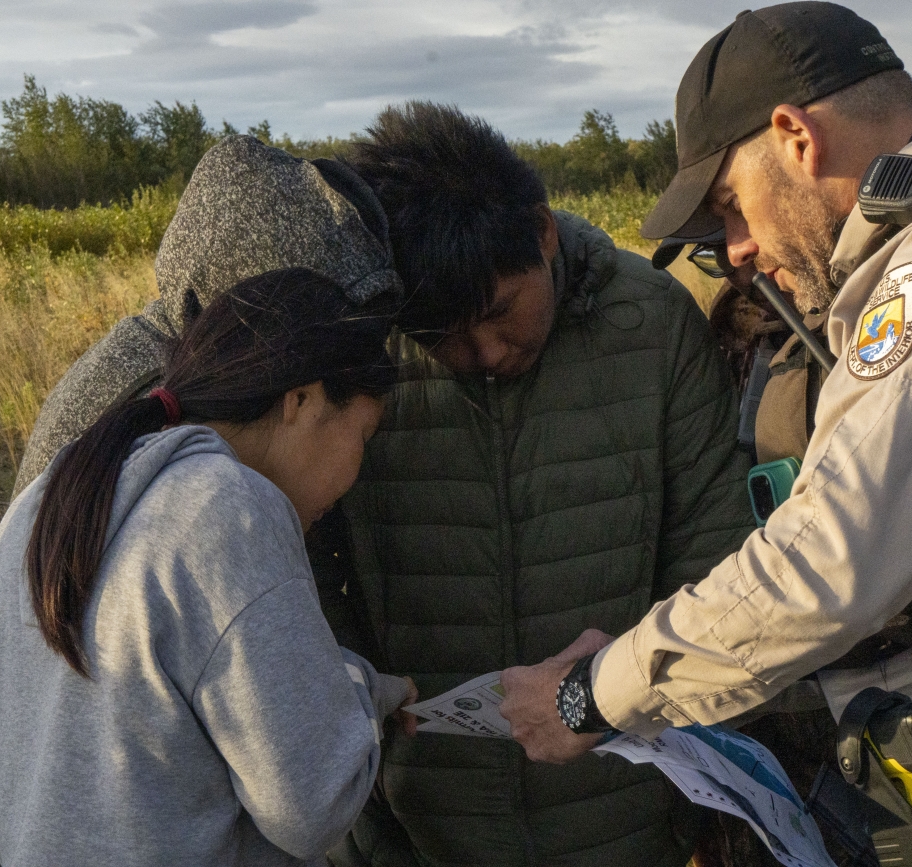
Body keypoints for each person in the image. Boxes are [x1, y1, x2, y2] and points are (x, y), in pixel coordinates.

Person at [499, 4, 912, 866]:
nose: (735, 249)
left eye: (730, 205)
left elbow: (831, 560)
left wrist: (597, 692)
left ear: (796, 138)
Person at [0, 134, 406, 867]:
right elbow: (310, 807)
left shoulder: (66, 481)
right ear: (300, 395)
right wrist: (354, 694)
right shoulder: (230, 507)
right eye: (363, 436)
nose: (357, 474)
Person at [322, 102, 755, 867]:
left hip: (630, 814)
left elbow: (717, 563)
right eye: (445, 337)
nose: (487, 351)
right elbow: (319, 588)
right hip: (425, 825)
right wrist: (367, 807)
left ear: (543, 232)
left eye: (500, 310)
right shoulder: (364, 355)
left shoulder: (653, 327)